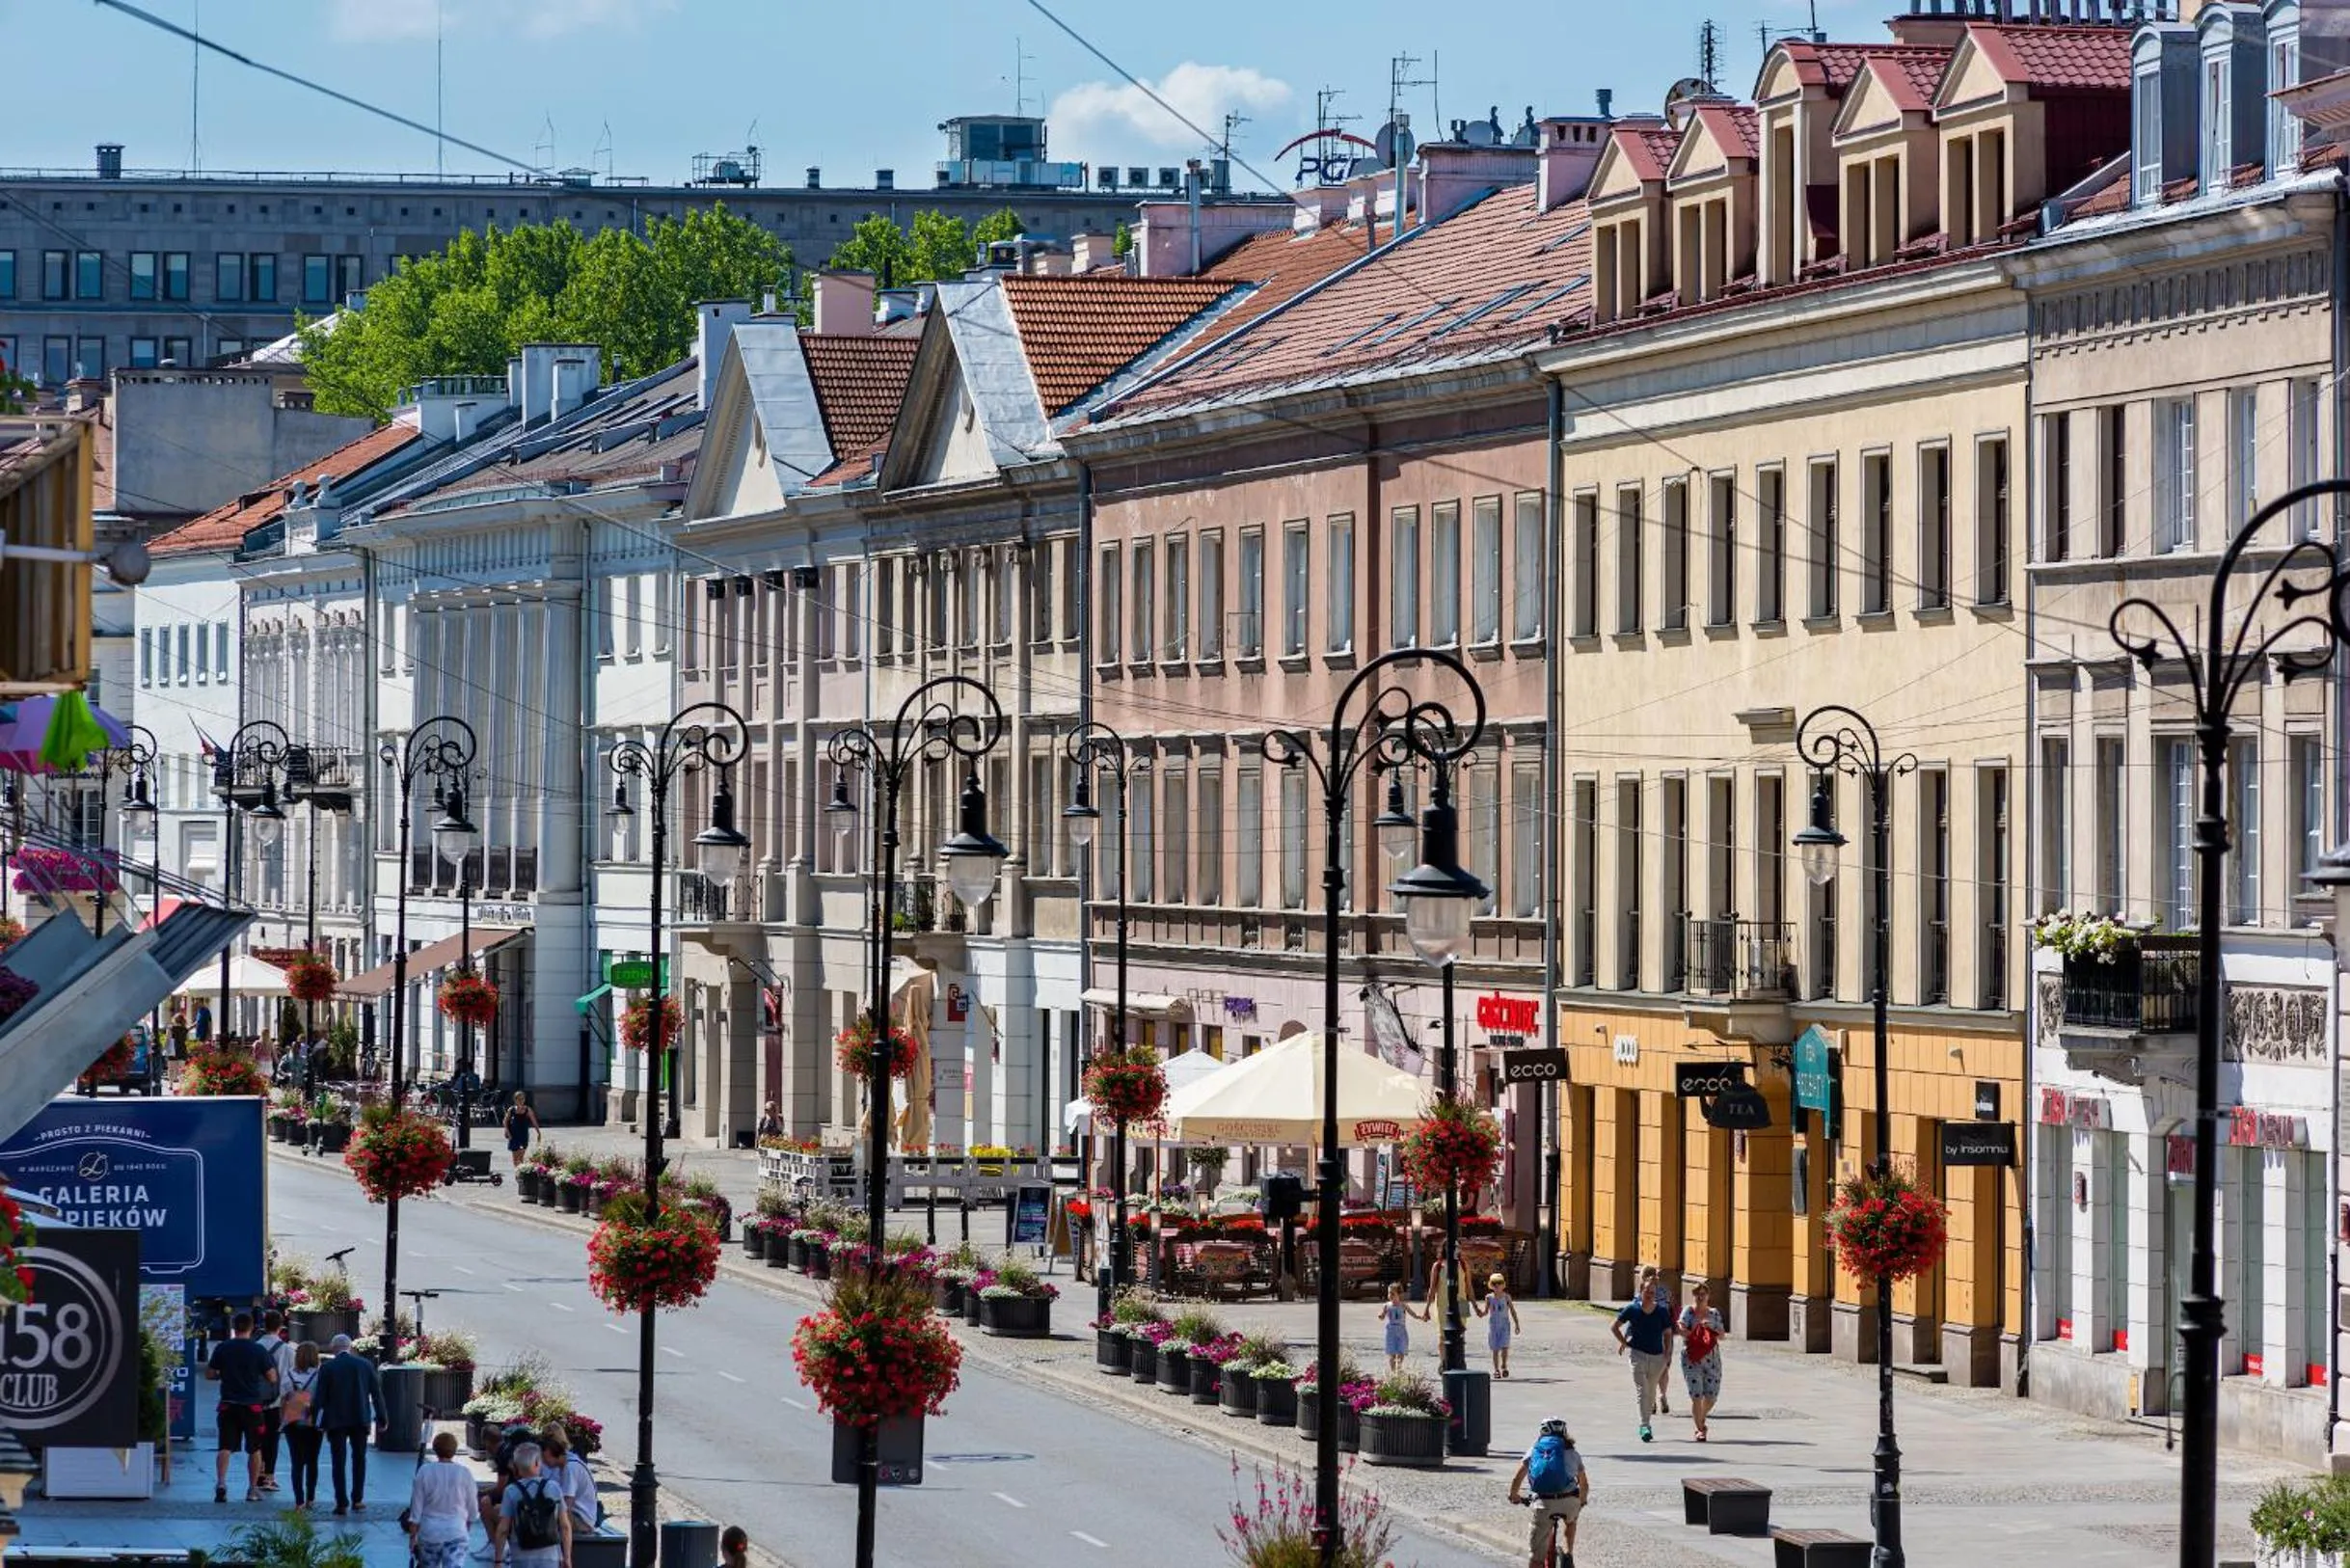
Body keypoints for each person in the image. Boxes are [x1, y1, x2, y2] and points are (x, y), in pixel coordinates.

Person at [204, 1311, 279, 1503]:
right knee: (254, 1449)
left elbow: (210, 1374)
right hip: (252, 1406)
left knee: (225, 1447)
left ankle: (221, 1483)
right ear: (252, 1328)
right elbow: (272, 1377)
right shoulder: (258, 1350)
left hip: (228, 1404)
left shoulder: (223, 1348)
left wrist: (225, 1375)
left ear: (234, 1328)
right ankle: (252, 1489)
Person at [312, 1333, 385, 1515]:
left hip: (335, 1420)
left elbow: (319, 1398)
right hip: (360, 1418)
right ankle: (358, 1499)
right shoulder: (365, 1365)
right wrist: (382, 1417)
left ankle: (341, 1502)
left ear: (333, 1348)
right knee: (359, 1459)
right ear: (350, 1347)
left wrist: (316, 1421)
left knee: (338, 1461)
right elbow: (376, 1394)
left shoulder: (328, 1368)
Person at [1506, 1417, 1589, 1568]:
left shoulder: (1535, 1450)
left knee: (1536, 1556)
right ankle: (1568, 1554)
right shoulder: (1572, 1452)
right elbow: (1584, 1483)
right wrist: (1582, 1500)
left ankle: (1537, 1562)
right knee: (1571, 1521)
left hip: (1544, 1503)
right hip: (1569, 1501)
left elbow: (1518, 1477)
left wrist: (1514, 1495)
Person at [1610, 1277, 1676, 1443]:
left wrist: (1667, 1352)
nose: (1649, 1294)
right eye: (1647, 1291)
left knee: (1651, 1390)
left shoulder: (1661, 1311)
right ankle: (1644, 1425)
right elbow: (1614, 1326)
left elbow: (1668, 1332)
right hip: (1637, 1355)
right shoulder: (1632, 1309)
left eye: (1652, 1292)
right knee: (1642, 1390)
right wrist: (1624, 1342)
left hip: (1657, 1358)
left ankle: (1646, 1420)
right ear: (1641, 1292)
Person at [495, 1441, 573, 1568]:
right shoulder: (553, 1487)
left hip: (521, 1557)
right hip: (550, 1557)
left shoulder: (511, 1491)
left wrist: (498, 1560)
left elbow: (503, 1529)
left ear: (516, 1466)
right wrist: (567, 1557)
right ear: (537, 1463)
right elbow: (565, 1526)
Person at [408, 1430, 478, 1568]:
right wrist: (467, 1525)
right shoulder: (464, 1473)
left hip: (430, 1531)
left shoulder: (424, 1471)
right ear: (454, 1450)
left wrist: (412, 1537)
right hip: (456, 1530)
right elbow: (473, 1509)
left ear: (435, 1449)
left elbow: (416, 1508)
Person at [1679, 1282, 1727, 1442]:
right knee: (1697, 1395)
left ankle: (1700, 1418)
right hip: (1692, 1358)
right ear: (1694, 1295)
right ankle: (1700, 1429)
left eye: (1703, 1294)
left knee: (1711, 1396)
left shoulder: (1714, 1313)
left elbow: (1722, 1335)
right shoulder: (1688, 1311)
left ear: (1708, 1296)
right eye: (1697, 1294)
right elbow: (1681, 1329)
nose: (1700, 1297)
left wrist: (1711, 1329)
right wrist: (1695, 1329)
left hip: (1712, 1358)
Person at [281, 1342, 325, 1510]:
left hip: (293, 1421)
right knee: (312, 1461)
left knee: (296, 1462)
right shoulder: (320, 1375)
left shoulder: (288, 1374)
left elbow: (284, 1397)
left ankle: (298, 1500)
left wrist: (282, 1421)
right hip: (313, 1421)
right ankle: (310, 1498)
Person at [253, 1310, 289, 1492]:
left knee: (257, 1439)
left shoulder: (255, 1346)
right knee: (272, 1440)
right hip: (276, 1401)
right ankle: (269, 1478)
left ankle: (257, 1474)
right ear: (280, 1327)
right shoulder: (286, 1350)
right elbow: (290, 1378)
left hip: (256, 1400)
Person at [540, 1424, 597, 1533]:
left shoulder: (570, 1468)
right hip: (574, 1515)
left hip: (581, 1520)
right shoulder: (565, 1465)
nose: (543, 1461)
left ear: (551, 1451)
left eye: (544, 1456)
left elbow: (566, 1505)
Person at [1637, 1265, 1675, 1416]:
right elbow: (1672, 1308)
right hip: (1665, 1333)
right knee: (1663, 1366)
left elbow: (1636, 1312)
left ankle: (1653, 1399)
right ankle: (1662, 1396)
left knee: (1649, 1369)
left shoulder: (1642, 1293)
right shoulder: (1665, 1291)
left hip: (1650, 1335)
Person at [1478, 1270, 1523, 1378]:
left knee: (1504, 1347)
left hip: (1504, 1325)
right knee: (1495, 1348)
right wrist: (1481, 1313)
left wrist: (1517, 1324)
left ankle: (1504, 1365)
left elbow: (1512, 1311)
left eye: (1499, 1283)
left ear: (1503, 1285)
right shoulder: (1489, 1297)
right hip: (1493, 1325)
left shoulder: (1506, 1297)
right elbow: (1486, 1311)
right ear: (1491, 1285)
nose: (1497, 1286)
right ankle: (1496, 1369)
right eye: (1494, 1283)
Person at [1378, 1281, 1426, 1373]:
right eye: (1389, 1293)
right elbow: (1382, 1315)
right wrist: (1381, 1316)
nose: (1390, 1295)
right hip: (1391, 1331)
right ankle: (1393, 1372)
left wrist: (1420, 1317)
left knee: (1401, 1351)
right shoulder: (1387, 1306)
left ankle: (1398, 1369)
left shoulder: (1403, 1305)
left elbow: (1413, 1314)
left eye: (1392, 1293)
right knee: (1391, 1352)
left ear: (1399, 1294)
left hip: (1401, 1331)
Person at [502, 1092, 540, 1170]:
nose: (521, 1101)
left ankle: (520, 1173)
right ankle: (517, 1172)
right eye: (519, 1099)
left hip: (523, 1135)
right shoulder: (511, 1110)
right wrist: (508, 1133)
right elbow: (505, 1121)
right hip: (513, 1135)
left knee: (521, 1156)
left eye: (522, 1099)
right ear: (515, 1100)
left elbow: (534, 1121)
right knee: (515, 1157)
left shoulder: (527, 1109)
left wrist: (538, 1132)